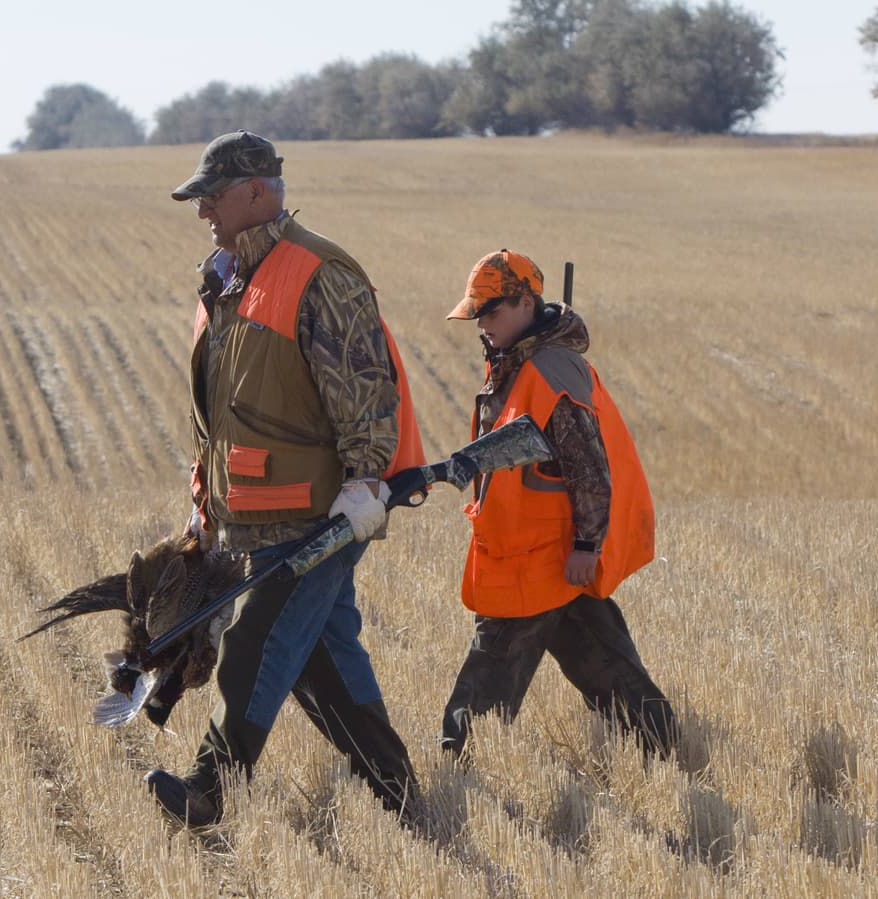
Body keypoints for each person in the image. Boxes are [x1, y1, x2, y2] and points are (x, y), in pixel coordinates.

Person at [143, 130, 426, 829]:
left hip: (315, 514)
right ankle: (398, 795)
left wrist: (365, 482)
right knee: (320, 660)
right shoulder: (225, 281)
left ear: (256, 192)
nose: (203, 210)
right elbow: (220, 413)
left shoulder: (319, 273)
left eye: (212, 196)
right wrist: (205, 503)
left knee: (257, 643)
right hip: (253, 513)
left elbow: (365, 387)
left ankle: (210, 788)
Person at [440, 249, 676, 761]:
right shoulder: (518, 362)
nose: (482, 324)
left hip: (541, 555)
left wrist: (587, 545)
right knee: (604, 662)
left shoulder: (549, 371)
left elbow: (589, 466)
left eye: (492, 311)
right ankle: (662, 747)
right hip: (539, 551)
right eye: (476, 314)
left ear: (526, 303)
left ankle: (461, 764)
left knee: (490, 670)